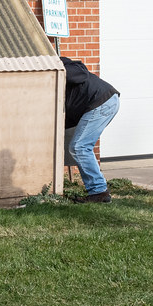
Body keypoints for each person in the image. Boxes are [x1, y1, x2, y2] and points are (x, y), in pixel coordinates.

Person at [61, 57, 120, 204]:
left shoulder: (61, 64)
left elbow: (81, 72)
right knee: (79, 146)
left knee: (79, 147)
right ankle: (98, 191)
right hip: (101, 102)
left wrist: (57, 71)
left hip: (101, 101)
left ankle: (99, 192)